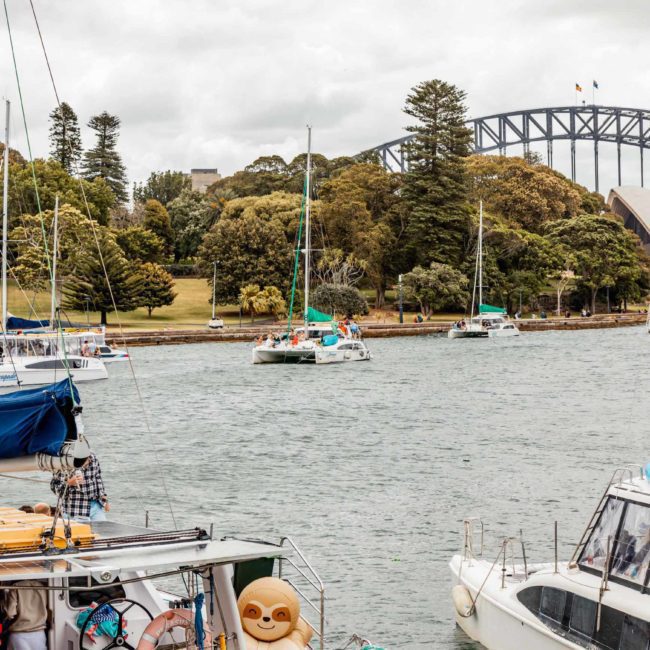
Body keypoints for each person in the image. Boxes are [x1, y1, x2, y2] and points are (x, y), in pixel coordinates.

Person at [50, 452, 110, 522]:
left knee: (103, 531)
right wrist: (69, 484)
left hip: (95, 507)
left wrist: (105, 500)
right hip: (75, 510)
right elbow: (56, 490)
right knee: (82, 532)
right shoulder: (62, 462)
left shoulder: (93, 457)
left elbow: (98, 478)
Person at [2, 580, 48, 650]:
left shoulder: (15, 586)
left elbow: (10, 613)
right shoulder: (42, 586)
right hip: (39, 633)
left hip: (19, 634)